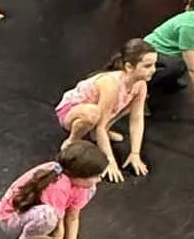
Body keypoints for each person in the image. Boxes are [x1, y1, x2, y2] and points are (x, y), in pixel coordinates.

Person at [0, 140, 110, 239]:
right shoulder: (58, 187)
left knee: (89, 190)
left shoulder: (81, 185)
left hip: (34, 212)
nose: (100, 179)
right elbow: (57, 228)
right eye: (95, 176)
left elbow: (72, 218)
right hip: (11, 218)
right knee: (47, 217)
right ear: (80, 175)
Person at [55, 40, 156, 180]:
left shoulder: (141, 85)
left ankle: (95, 134)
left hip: (100, 113)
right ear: (129, 66)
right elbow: (100, 127)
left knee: (130, 106)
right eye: (147, 66)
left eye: (154, 65)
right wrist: (109, 161)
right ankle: (72, 141)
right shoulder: (111, 84)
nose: (153, 70)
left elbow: (137, 118)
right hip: (72, 112)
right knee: (93, 115)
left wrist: (135, 153)